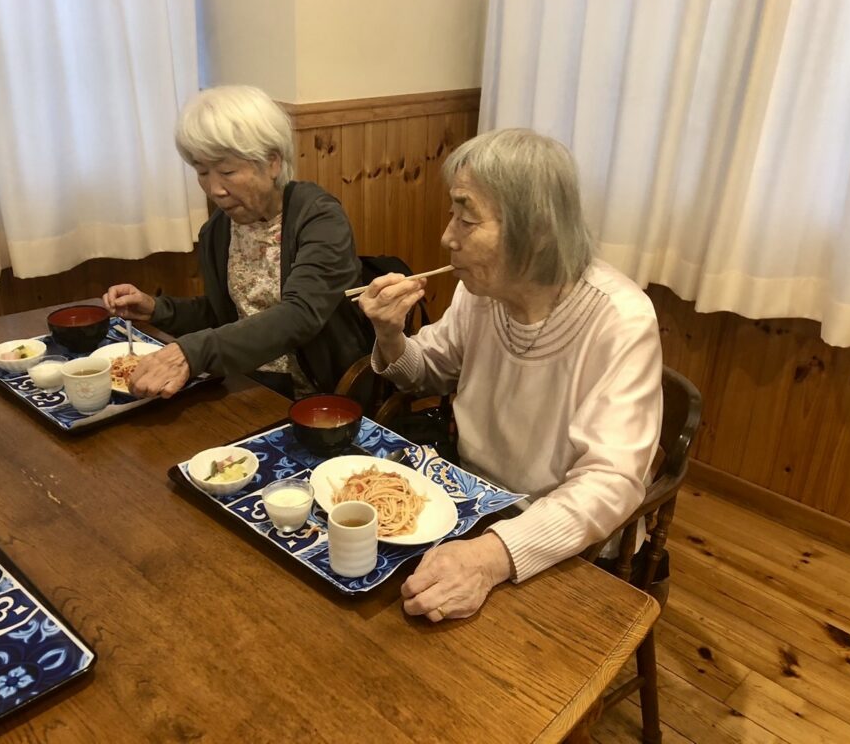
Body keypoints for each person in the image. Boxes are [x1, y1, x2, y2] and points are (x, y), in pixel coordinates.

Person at [358, 128, 663, 622]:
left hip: (563, 539)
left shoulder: (620, 319)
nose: (447, 236)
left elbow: (611, 481)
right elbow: (427, 372)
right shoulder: (480, 292)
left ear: (536, 230)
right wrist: (390, 335)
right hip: (469, 502)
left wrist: (491, 556)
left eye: (466, 218)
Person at [103, 85, 370, 400]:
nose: (214, 189)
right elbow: (225, 314)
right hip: (245, 383)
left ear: (272, 163)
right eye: (202, 172)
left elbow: (300, 314)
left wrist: (192, 352)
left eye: (227, 171)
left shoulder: (319, 218)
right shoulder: (218, 230)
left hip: (319, 396)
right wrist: (158, 309)